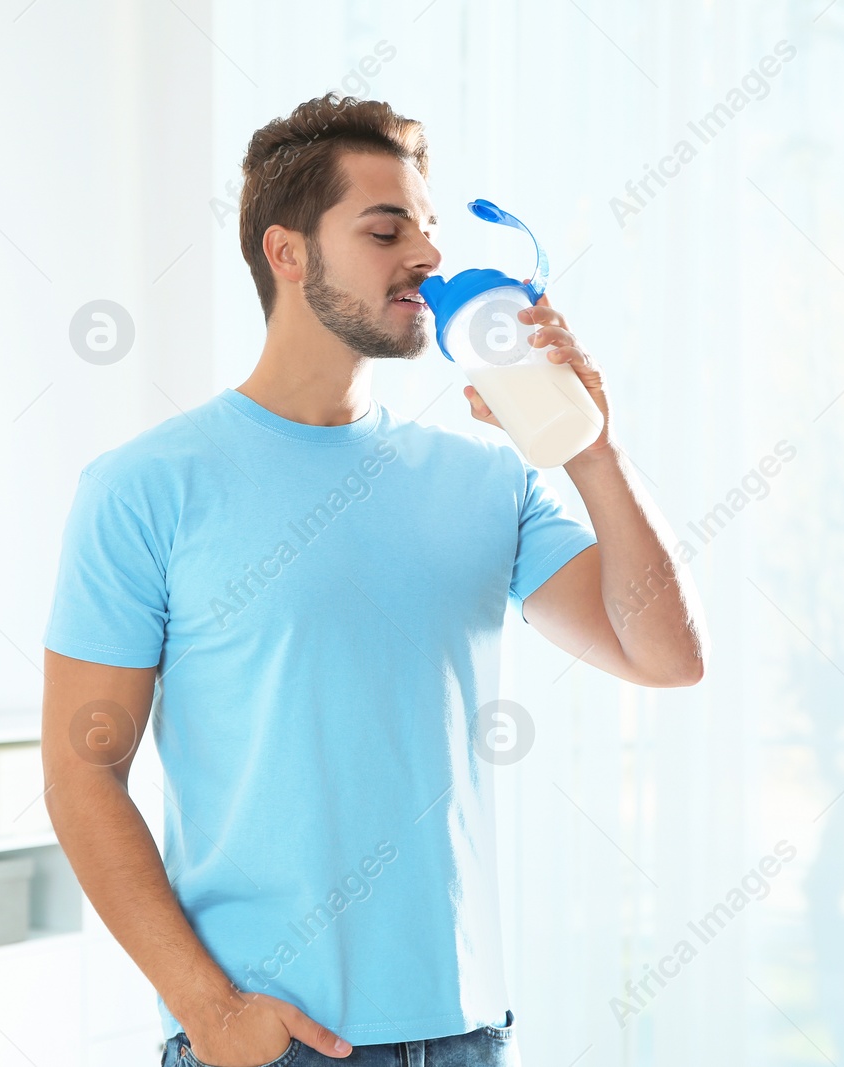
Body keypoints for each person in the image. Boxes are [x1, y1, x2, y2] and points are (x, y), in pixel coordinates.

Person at [41, 93, 708, 1067]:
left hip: (469, 1034)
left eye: (428, 231)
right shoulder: (147, 487)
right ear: (287, 252)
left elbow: (667, 655)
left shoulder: (489, 476)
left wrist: (591, 453)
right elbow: (80, 771)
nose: (426, 258)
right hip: (273, 1041)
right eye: (385, 227)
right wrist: (212, 1010)